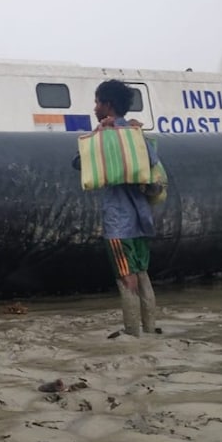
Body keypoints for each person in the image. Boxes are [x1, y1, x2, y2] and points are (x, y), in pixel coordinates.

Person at [72, 79, 161, 338]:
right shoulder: (136, 135)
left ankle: (133, 337)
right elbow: (152, 165)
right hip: (141, 221)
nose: (94, 107)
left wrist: (99, 132)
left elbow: (80, 163)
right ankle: (150, 332)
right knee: (142, 275)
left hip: (118, 224)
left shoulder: (103, 135)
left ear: (108, 105)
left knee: (126, 279)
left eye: (98, 102)